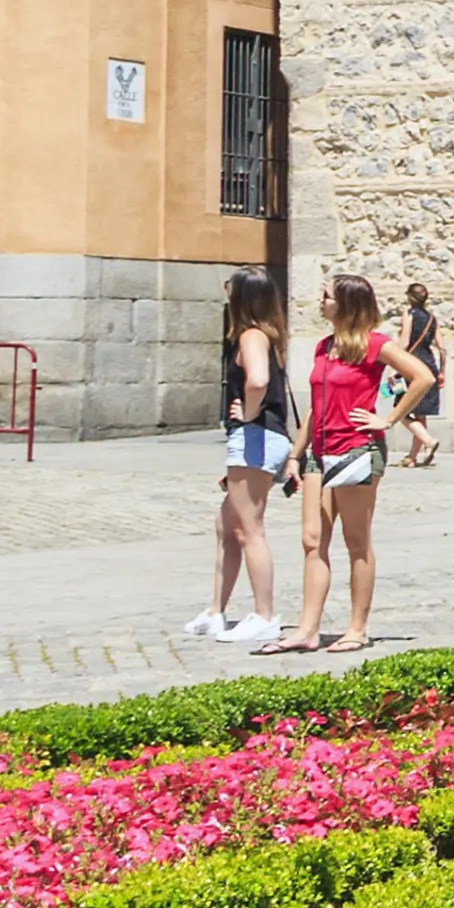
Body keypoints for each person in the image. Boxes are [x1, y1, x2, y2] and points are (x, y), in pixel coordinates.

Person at [273, 272, 434, 656]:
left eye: (326, 296)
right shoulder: (323, 347)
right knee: (312, 540)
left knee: (355, 540)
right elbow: (315, 407)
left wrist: (388, 419)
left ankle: (356, 628)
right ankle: (307, 628)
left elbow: (422, 377)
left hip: (356, 450)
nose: (320, 301)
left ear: (347, 304)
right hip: (319, 452)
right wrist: (295, 454)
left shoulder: (375, 345)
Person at [189, 269, 290, 645]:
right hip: (261, 437)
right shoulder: (268, 336)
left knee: (250, 529)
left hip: (254, 436)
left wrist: (247, 412)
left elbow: (259, 380)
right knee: (227, 524)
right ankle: (216, 611)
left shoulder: (251, 336)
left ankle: (264, 615)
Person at [396, 280, 444, 468]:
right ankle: (412, 457)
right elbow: (442, 348)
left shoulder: (409, 314)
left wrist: (394, 366)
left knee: (400, 410)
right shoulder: (432, 319)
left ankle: (428, 440)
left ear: (409, 297)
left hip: (411, 366)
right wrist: (442, 372)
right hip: (429, 365)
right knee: (420, 412)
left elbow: (405, 342)